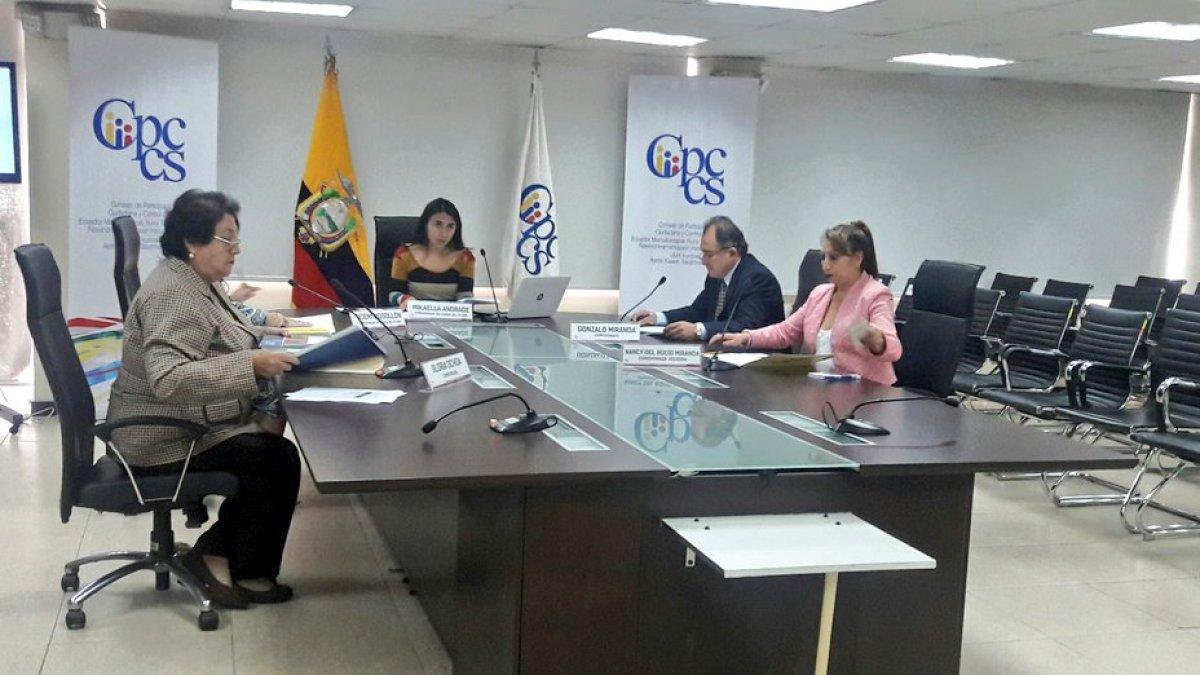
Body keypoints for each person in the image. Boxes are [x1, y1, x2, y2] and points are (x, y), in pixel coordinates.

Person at [106, 189, 302, 609]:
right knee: (274, 459)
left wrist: (262, 342)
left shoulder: (194, 280)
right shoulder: (173, 294)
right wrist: (251, 365)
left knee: (270, 455)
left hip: (180, 421)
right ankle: (216, 557)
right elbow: (169, 379)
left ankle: (242, 565)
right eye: (227, 239)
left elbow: (222, 334)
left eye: (236, 238)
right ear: (191, 242)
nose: (236, 249)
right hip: (159, 437)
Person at [711, 221, 902, 384]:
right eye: (823, 257)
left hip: (866, 396)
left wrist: (874, 338)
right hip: (822, 390)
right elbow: (786, 331)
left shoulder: (876, 294)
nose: (825, 264)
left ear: (857, 259)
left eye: (833, 258)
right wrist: (747, 338)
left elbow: (893, 349)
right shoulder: (820, 293)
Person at [629, 216, 784, 341]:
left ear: (731, 253)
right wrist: (658, 318)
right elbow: (697, 311)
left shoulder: (757, 279)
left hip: (760, 363)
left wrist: (698, 330)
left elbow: (745, 326)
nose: (703, 261)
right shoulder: (716, 277)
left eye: (709, 255)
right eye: (703, 254)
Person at [389, 198, 475, 307]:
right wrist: (404, 299)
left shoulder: (465, 258)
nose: (443, 233)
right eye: (438, 224)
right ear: (425, 225)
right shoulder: (404, 254)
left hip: (451, 316)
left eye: (450, 226)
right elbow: (393, 294)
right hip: (414, 315)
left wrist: (467, 304)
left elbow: (465, 298)